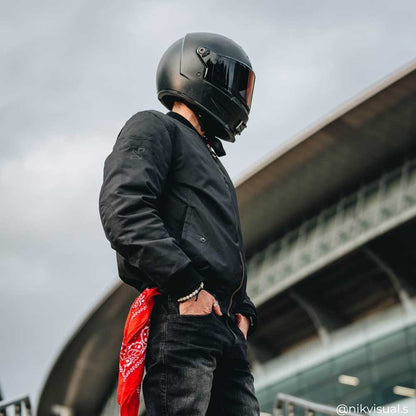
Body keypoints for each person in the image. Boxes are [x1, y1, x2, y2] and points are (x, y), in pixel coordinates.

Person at [99, 32, 260, 416]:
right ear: (199, 70)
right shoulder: (154, 127)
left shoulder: (213, 163)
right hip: (184, 315)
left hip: (222, 325)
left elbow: (222, 247)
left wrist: (244, 311)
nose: (240, 96)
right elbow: (124, 210)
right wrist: (188, 289)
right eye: (234, 82)